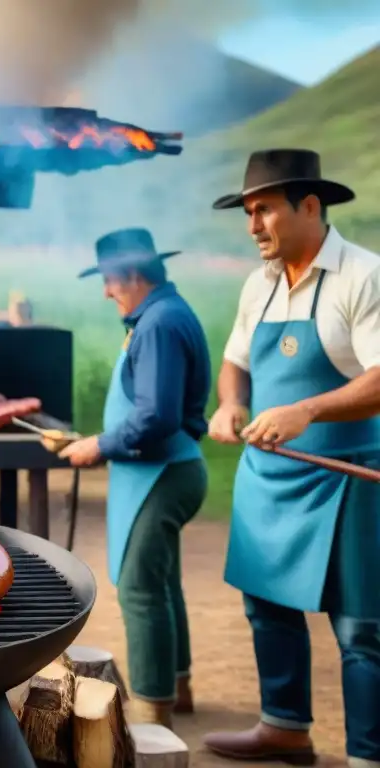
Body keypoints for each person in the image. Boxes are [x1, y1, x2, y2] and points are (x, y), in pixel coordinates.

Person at [203, 149, 380, 766]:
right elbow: (236, 364)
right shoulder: (259, 284)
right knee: (266, 604)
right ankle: (284, 727)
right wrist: (230, 405)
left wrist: (306, 411)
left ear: (309, 206)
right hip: (268, 477)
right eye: (248, 212)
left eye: (265, 211)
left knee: (362, 630)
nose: (253, 226)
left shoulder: (363, 275)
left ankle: (367, 756)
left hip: (348, 479)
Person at [60, 228, 211, 728]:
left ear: (130, 274)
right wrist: (98, 441)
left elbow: (157, 416)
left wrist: (99, 445)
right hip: (166, 468)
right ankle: (179, 689)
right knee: (162, 583)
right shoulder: (160, 314)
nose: (106, 291)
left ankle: (153, 716)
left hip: (162, 473)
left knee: (141, 589)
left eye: (108, 279)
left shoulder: (160, 324)